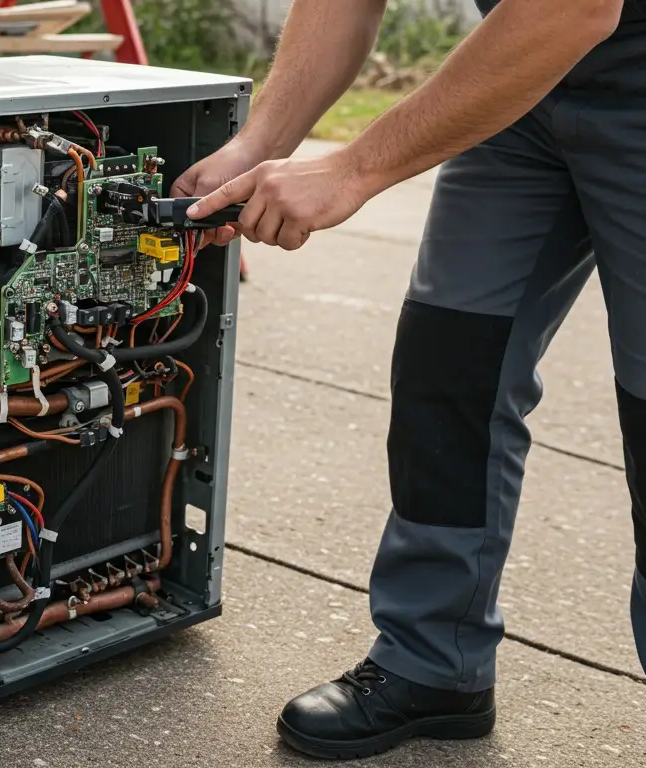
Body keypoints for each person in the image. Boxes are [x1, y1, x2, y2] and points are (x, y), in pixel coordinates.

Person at [177, 0, 646, 760]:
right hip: (520, 86)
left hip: (580, 39)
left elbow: (574, 8)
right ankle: (434, 661)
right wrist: (260, 141)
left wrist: (350, 169)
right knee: (451, 365)